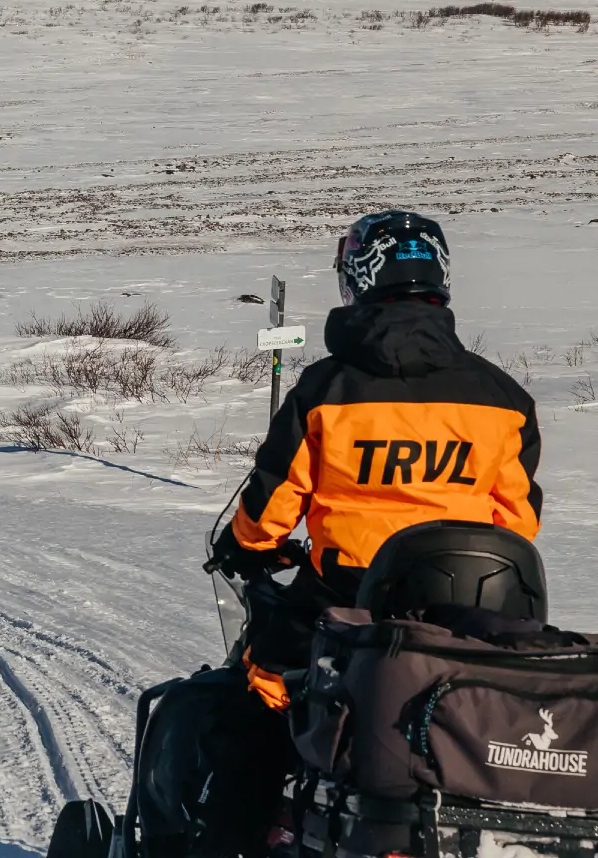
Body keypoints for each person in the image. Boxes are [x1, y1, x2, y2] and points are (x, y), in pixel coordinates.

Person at [209, 210, 541, 710]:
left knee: (267, 681)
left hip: (346, 593)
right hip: (470, 604)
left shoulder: (327, 390)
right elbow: (518, 519)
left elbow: (279, 492)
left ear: (357, 277)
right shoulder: (502, 398)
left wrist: (248, 544)